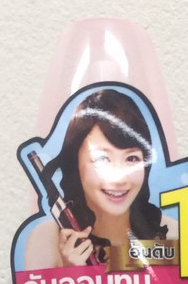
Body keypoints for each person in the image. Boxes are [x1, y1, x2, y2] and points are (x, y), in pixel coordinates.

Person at [24, 88, 178, 270]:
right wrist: (71, 274)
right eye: (102, 159)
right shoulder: (46, 241)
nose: (119, 178)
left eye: (132, 158)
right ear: (75, 164)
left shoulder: (173, 233)